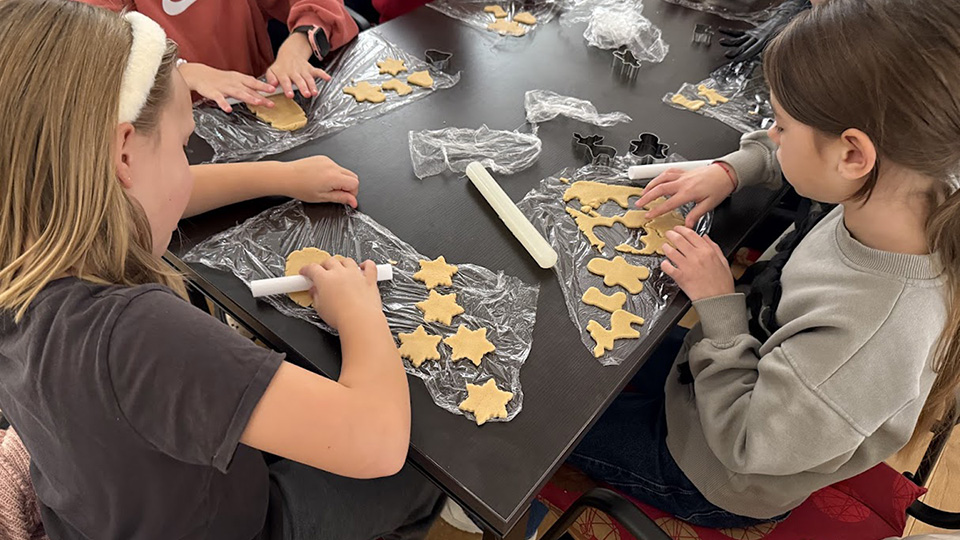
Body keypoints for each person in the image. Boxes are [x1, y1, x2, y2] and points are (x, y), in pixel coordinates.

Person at [0, 2, 442, 539]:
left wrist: (280, 176)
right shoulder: (137, 335)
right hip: (240, 524)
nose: (189, 170)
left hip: (101, 516)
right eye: (184, 148)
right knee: (422, 470)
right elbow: (378, 440)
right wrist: (358, 310)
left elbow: (153, 190)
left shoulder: (25, 255)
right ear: (124, 155)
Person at [536, 0, 960, 532]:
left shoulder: (871, 337)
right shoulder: (909, 191)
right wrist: (734, 169)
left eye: (780, 126)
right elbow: (812, 159)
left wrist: (718, 305)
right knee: (571, 361)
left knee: (545, 420)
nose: (771, 136)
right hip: (720, 372)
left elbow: (746, 443)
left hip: (713, 470)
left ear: (853, 154)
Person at [81, 0, 360, 112]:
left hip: (258, 105)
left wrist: (298, 44)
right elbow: (105, 54)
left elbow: (321, 5)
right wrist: (183, 72)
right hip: (164, 131)